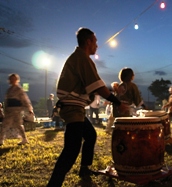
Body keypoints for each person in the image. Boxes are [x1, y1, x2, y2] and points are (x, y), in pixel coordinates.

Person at [47, 27, 128, 187]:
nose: (97, 45)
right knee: (71, 149)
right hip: (72, 107)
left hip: (74, 107)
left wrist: (111, 90)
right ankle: (53, 184)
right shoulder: (82, 58)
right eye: (95, 42)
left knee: (90, 135)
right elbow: (98, 87)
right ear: (88, 41)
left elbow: (95, 84)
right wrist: (118, 102)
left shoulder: (79, 57)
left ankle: (84, 169)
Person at [0, 73, 34, 146]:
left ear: (16, 80)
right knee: (4, 125)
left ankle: (24, 139)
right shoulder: (9, 90)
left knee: (18, 125)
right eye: (10, 79)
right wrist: (5, 110)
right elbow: (7, 101)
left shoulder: (19, 89)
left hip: (17, 110)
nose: (11, 80)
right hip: (9, 110)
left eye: (13, 79)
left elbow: (25, 100)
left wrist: (29, 109)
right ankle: (1, 139)